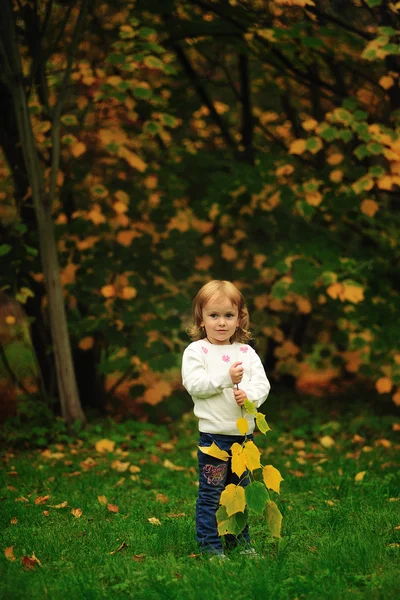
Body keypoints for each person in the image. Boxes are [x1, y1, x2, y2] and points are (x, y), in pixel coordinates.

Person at [182, 280, 271, 559]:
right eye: (214, 315)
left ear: (239, 318)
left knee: (240, 493)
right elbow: (194, 384)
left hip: (243, 437)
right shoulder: (197, 352)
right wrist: (225, 379)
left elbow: (263, 385)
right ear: (201, 318)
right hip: (214, 438)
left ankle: (239, 542)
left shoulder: (246, 352)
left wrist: (250, 396)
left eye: (229, 316)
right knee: (211, 495)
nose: (221, 323)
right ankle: (210, 546)